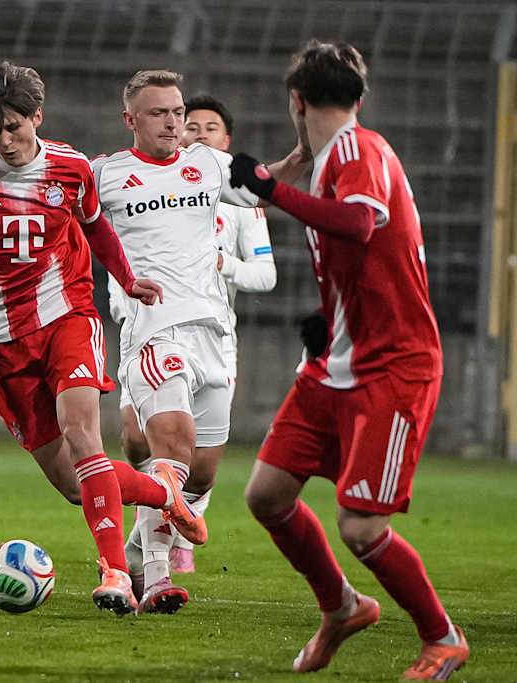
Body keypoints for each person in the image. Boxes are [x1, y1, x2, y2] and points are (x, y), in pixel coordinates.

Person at [0, 61, 201, 617]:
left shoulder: (71, 167)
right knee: (70, 483)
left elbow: (95, 227)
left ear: (38, 117)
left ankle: (113, 573)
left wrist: (127, 281)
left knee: (85, 436)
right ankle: (163, 493)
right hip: (3, 340)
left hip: (68, 317)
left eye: (16, 127)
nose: (6, 141)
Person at [229, 40, 469, 679]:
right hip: (338, 360)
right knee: (267, 496)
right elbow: (366, 256)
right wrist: (329, 320)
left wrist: (268, 187)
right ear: (358, 96)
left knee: (361, 527)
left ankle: (443, 638)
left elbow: (360, 225)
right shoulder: (336, 154)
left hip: (393, 368)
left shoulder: (358, 151)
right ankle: (342, 607)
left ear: (296, 101)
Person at [94, 70, 262, 614]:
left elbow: (268, 266)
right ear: (131, 121)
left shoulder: (212, 172)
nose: (175, 123)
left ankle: (141, 549)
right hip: (148, 326)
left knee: (198, 469)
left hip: (214, 333)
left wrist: (311, 144)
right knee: (162, 445)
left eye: (179, 113)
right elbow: (60, 223)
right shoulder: (105, 175)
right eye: (162, 114)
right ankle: (153, 574)